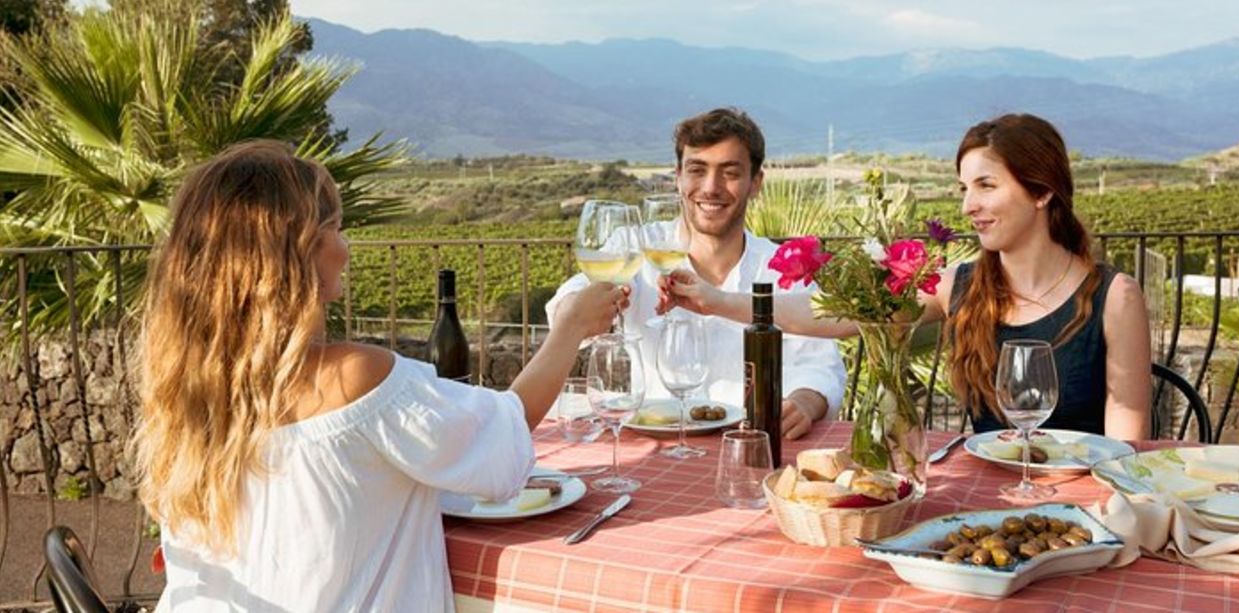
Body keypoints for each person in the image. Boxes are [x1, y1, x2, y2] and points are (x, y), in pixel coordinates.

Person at [133, 140, 623, 612]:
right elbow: (503, 442)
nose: (345, 246)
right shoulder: (355, 380)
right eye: (337, 227)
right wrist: (571, 327)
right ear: (300, 252)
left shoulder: (184, 395)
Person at [773, 113, 1151, 440]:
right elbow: (844, 317)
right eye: (964, 188)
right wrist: (721, 301)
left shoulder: (1115, 296)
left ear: (1041, 191)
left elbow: (1125, 452)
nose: (968, 206)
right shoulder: (961, 286)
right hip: (990, 497)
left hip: (1083, 504)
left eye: (986, 185)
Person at [547, 107, 847, 440]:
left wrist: (804, 404)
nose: (711, 187)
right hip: (649, 444)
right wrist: (584, 309)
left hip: (750, 444)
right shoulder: (635, 245)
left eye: (730, 172)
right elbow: (566, 306)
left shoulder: (782, 267)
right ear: (678, 177)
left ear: (756, 183)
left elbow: (821, 366)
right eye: (697, 169)